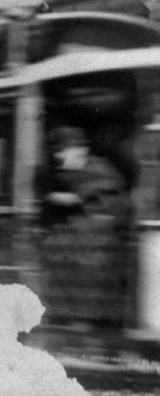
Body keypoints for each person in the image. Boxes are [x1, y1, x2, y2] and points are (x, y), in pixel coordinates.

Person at [37, 125, 131, 327]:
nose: (60, 158)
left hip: (92, 279)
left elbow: (106, 220)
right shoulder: (67, 177)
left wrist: (76, 199)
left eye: (64, 152)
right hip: (75, 280)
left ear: (80, 150)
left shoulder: (99, 172)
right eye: (58, 153)